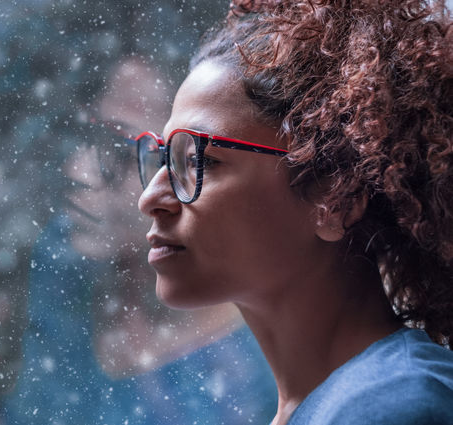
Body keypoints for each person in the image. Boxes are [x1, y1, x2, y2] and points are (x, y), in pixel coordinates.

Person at [135, 0, 453, 424]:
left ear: (336, 197)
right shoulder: (340, 402)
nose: (150, 199)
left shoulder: (393, 405)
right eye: (163, 159)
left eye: (199, 161)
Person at [0, 59, 277, 424]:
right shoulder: (62, 264)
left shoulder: (254, 362)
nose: (78, 171)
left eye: (121, 155)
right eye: (89, 141)